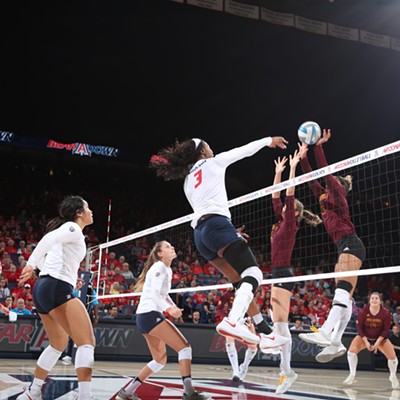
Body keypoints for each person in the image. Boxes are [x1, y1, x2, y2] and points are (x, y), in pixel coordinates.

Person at [150, 136, 289, 350]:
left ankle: (266, 333)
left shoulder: (188, 179)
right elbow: (243, 150)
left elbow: (207, 205)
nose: (212, 148)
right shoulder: (213, 162)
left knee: (239, 282)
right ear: (203, 151)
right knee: (254, 274)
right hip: (216, 226)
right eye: (208, 145)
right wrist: (268, 140)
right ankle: (233, 321)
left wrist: (229, 232)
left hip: (201, 235)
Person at [17, 195, 95, 400]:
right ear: (79, 213)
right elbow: (47, 240)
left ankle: (33, 393)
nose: (91, 211)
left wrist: (70, 280)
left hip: (43, 288)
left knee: (58, 344)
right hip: (55, 287)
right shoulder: (73, 228)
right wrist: (31, 264)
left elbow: (50, 258)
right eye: (88, 207)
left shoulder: (69, 234)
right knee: (87, 343)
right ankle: (85, 397)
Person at [298, 130, 366, 363]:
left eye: (333, 181)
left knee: (342, 289)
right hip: (342, 246)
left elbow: (325, 171)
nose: (329, 183)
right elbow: (311, 179)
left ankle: (327, 331)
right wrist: (304, 157)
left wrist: (318, 147)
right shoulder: (324, 196)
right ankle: (336, 342)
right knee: (345, 295)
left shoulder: (338, 192)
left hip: (351, 243)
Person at [117, 241, 211, 400]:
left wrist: (173, 306)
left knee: (159, 360)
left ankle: (127, 391)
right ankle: (189, 392)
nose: (172, 247)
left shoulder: (165, 269)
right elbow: (154, 294)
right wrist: (168, 309)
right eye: (167, 247)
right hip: (150, 315)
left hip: (145, 317)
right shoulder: (159, 267)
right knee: (185, 348)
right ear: (160, 254)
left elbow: (163, 295)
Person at [269, 149, 322, 394]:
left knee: (281, 326)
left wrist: (292, 169)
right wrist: (277, 173)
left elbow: (288, 196)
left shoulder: (290, 223)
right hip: (276, 274)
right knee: (278, 325)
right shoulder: (280, 222)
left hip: (283, 274)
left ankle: (287, 372)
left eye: (288, 209)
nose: (281, 208)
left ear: (296, 214)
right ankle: (286, 371)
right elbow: (276, 196)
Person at [343, 292, 399, 389]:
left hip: (380, 339)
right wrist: (366, 342)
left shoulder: (386, 313)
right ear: (369, 301)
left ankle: (393, 376)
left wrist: (377, 344)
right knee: (351, 352)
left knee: (393, 357)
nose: (374, 300)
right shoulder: (363, 312)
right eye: (372, 298)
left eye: (376, 298)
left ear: (380, 301)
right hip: (365, 337)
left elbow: (385, 330)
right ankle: (352, 375)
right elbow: (359, 328)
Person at [225, 316, 258, 382]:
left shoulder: (248, 311)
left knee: (253, 347)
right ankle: (236, 371)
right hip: (232, 321)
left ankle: (244, 367)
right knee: (229, 340)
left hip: (244, 324)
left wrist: (249, 322)